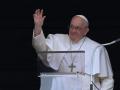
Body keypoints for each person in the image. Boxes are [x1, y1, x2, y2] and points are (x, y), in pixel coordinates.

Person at [32, 9, 114, 90]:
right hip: (61, 87)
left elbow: (107, 80)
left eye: (77, 28)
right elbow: (41, 48)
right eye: (71, 26)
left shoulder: (97, 48)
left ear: (86, 31)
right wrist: (38, 27)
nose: (73, 30)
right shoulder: (57, 40)